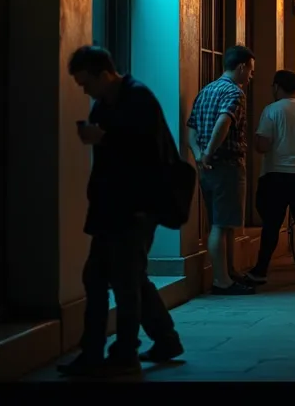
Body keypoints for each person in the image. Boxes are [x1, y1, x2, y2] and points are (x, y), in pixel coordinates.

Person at [60, 45, 183, 377]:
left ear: (104, 74)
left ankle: (123, 354)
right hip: (111, 206)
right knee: (117, 276)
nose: (84, 90)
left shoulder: (138, 99)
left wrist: (103, 138)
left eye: (86, 82)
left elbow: (148, 153)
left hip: (137, 207)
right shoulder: (106, 103)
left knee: (122, 280)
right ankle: (162, 340)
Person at [243, 70, 295, 286]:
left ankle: (261, 270)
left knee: (271, 224)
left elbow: (262, 145)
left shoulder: (271, 110)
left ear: (277, 86)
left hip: (276, 174)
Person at [186, 45, 257, 296]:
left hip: (207, 168)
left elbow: (191, 128)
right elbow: (223, 123)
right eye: (250, 71)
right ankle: (222, 281)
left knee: (222, 222)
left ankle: (229, 272)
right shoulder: (234, 94)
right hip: (226, 165)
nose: (250, 76)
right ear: (240, 67)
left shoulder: (206, 90)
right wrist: (209, 152)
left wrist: (198, 155)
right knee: (220, 223)